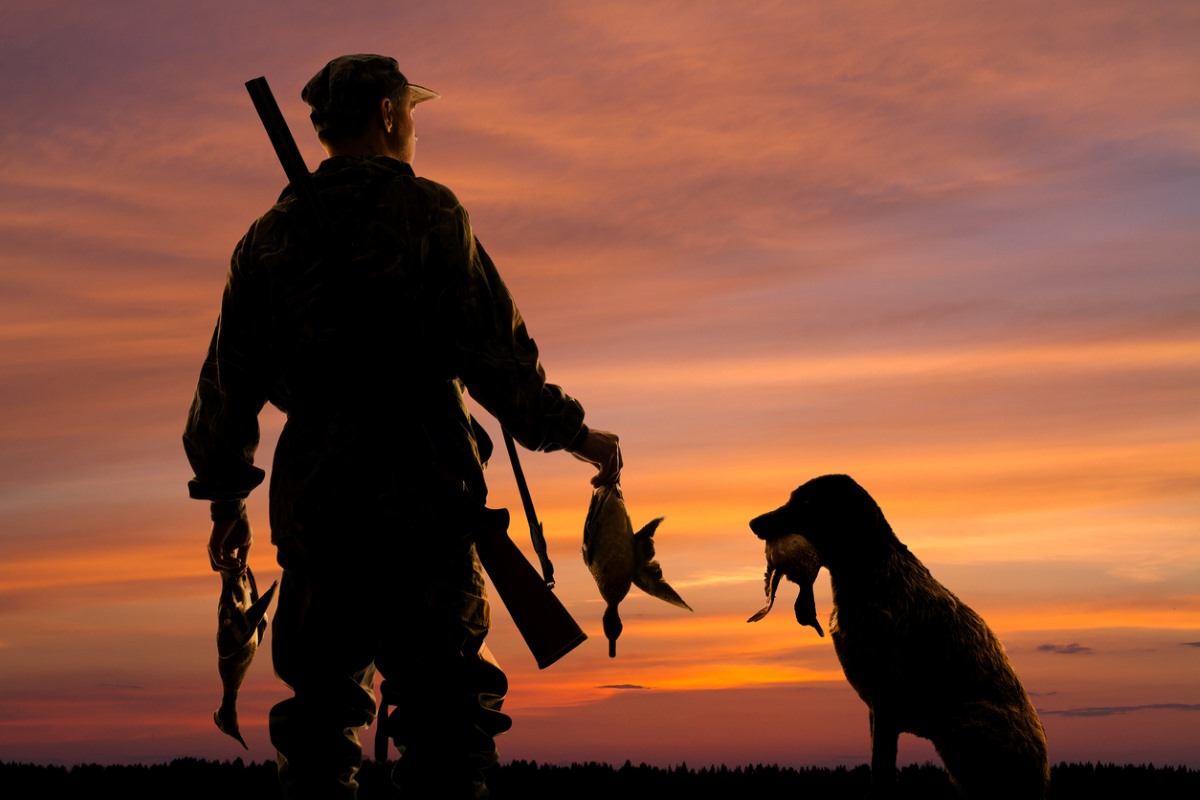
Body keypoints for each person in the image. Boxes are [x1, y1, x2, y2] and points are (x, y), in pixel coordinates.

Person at [183, 53, 621, 800]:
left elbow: (227, 388)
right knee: (448, 726)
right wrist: (582, 439)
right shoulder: (433, 212)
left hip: (319, 513)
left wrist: (227, 501)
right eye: (410, 111)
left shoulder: (265, 238)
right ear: (388, 115)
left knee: (319, 726)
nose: (414, 126)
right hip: (429, 505)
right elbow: (503, 370)